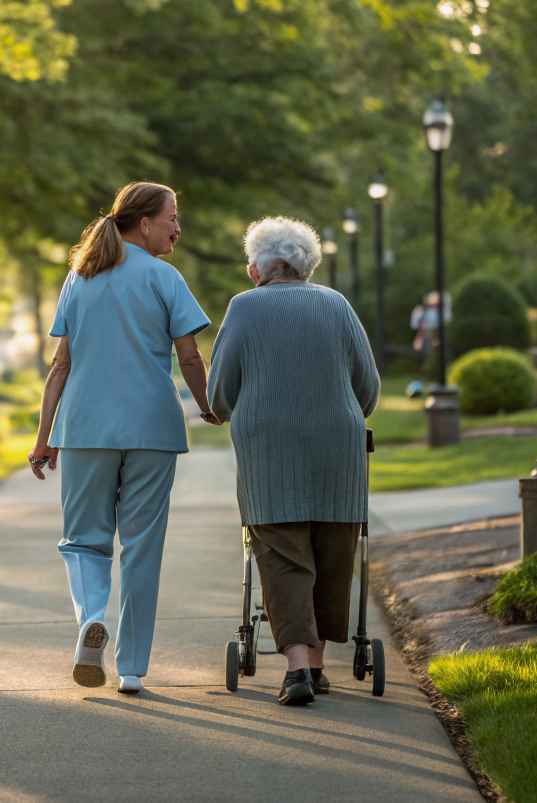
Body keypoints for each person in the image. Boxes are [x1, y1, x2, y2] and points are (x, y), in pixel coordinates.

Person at [29, 182, 221, 694]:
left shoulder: (80, 277)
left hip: (85, 427)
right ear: (144, 224)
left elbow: (60, 365)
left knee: (84, 542)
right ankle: (132, 668)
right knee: (141, 546)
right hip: (152, 428)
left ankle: (91, 619)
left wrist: (43, 438)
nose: (178, 228)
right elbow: (189, 358)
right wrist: (207, 407)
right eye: (173, 218)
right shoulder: (165, 277)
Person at [207, 216, 379, 706]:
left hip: (269, 452)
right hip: (337, 450)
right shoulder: (337, 305)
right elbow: (367, 388)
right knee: (332, 553)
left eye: (251, 265)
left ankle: (299, 672)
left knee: (283, 556)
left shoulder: (244, 308)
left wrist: (224, 411)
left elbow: (221, 394)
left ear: (262, 267)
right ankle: (319, 664)